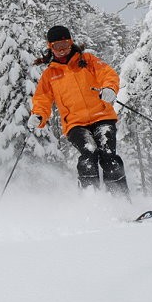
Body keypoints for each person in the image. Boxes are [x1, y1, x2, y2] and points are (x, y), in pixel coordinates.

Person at [28, 25, 129, 196]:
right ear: (50, 47)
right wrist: (39, 115)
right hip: (75, 124)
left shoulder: (88, 60)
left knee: (108, 155)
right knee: (89, 153)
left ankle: (120, 200)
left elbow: (107, 74)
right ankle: (91, 201)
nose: (61, 50)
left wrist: (109, 89)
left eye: (65, 45)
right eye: (57, 47)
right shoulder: (50, 74)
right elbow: (42, 99)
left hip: (102, 116)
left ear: (71, 42)